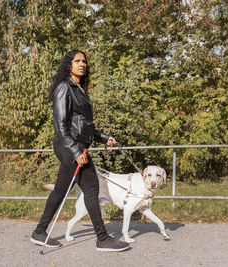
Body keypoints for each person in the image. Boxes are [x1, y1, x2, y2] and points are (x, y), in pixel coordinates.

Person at [30, 50, 130, 252]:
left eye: (84, 61)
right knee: (92, 186)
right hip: (69, 146)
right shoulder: (64, 88)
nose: (82, 64)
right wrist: (76, 151)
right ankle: (102, 238)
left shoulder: (79, 89)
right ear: (69, 64)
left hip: (77, 144)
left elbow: (84, 125)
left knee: (60, 190)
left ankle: (39, 231)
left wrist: (103, 137)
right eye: (77, 61)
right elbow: (60, 125)